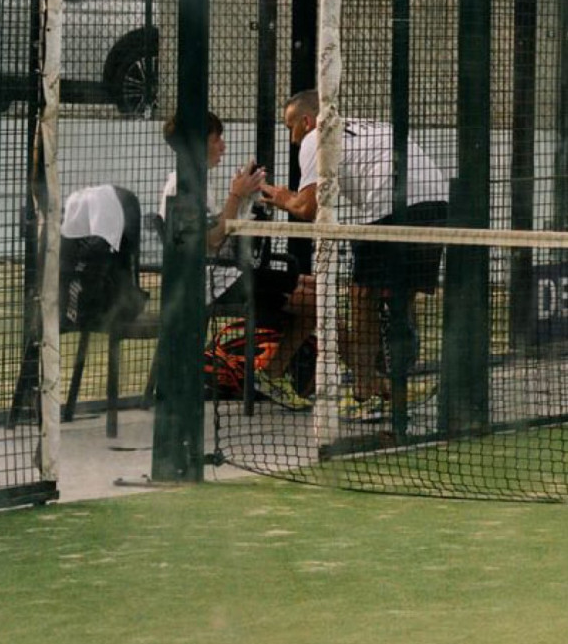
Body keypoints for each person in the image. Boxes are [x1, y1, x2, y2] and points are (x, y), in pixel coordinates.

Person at [259, 91, 451, 424]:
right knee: (400, 295)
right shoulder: (366, 126)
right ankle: (395, 385)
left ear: (307, 121)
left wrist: (276, 195)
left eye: (291, 127)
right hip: (437, 203)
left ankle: (366, 392)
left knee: (362, 298)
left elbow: (307, 207)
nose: (292, 138)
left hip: (392, 205)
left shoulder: (316, 136)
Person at [160, 111, 314, 410]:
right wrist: (235, 195)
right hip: (213, 282)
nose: (223, 146)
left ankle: (275, 374)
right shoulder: (182, 186)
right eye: (216, 139)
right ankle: (270, 375)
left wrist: (243, 198)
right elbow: (212, 240)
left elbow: (218, 232)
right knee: (314, 301)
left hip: (228, 275)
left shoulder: (199, 182)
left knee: (318, 287)